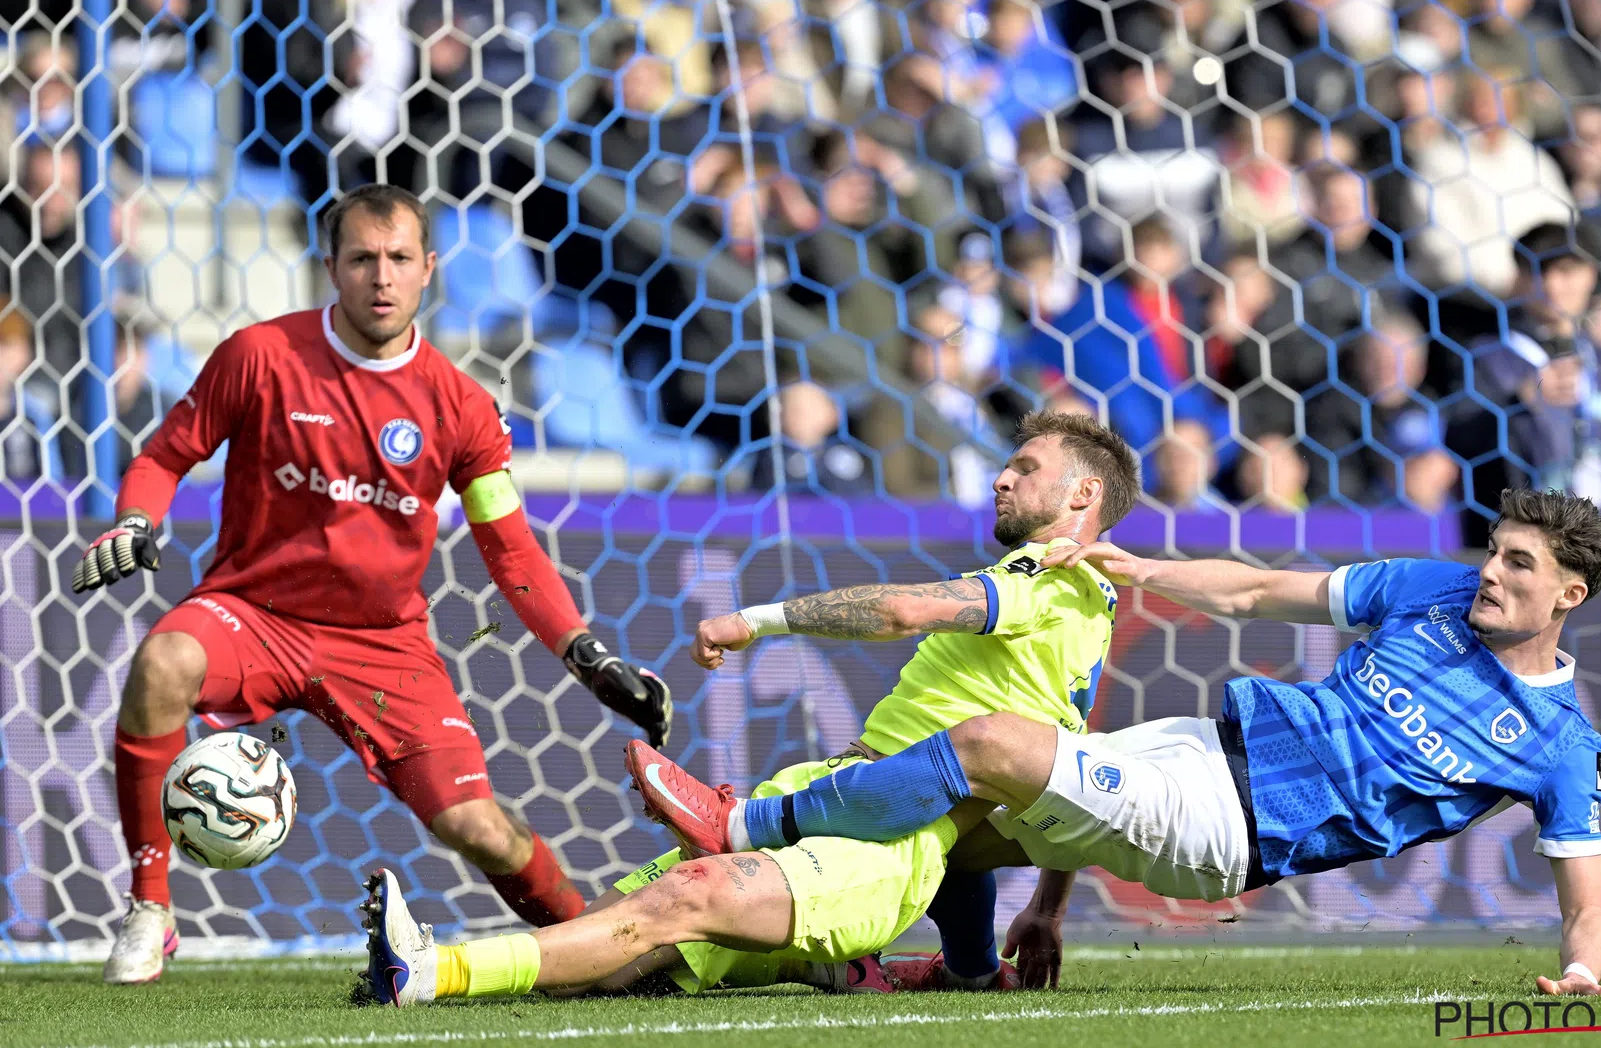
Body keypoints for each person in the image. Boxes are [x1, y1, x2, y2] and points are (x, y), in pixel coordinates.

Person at [598, 488, 1601, 998]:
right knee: (961, 815)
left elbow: (1589, 913)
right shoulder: (1434, 592)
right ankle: (964, 970)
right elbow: (1266, 589)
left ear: (1568, 597)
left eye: (1518, 567)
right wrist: (1148, 571)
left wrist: (1581, 979)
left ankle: (742, 818)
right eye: (1494, 552)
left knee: (993, 744)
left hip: (1234, 828)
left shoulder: (1559, 747)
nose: (1491, 573)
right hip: (1205, 745)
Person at [76, 185, 673, 986]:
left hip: (382, 643)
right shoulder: (260, 356)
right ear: (331, 267)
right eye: (362, 259)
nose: (380, 278)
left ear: (429, 269)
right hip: (254, 613)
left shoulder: (460, 406)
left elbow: (514, 554)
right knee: (162, 662)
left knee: (478, 828)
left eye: (398, 260)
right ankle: (150, 906)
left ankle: (599, 944)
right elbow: (162, 459)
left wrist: (589, 657)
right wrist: (134, 522)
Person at [361, 410, 1141, 1005]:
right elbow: (1066, 769)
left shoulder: (1051, 576)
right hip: (834, 789)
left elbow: (904, 609)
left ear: (1083, 494)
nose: (1002, 478)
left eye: (1025, 467)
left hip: (887, 836)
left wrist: (752, 621)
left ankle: (426, 970)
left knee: (683, 901)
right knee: (615, 942)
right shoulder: (1081, 616)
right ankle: (815, 959)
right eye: (1005, 464)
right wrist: (1045, 911)